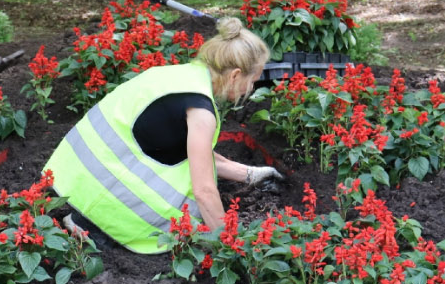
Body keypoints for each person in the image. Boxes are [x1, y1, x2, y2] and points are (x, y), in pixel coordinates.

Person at [44, 18, 284, 253]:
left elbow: (189, 151)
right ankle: (94, 228)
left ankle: (87, 219)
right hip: (108, 199)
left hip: (80, 175)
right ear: (235, 75)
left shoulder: (174, 76)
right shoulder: (201, 112)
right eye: (252, 80)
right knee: (194, 212)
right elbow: (204, 190)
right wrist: (231, 246)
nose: (250, 89)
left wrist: (249, 175)